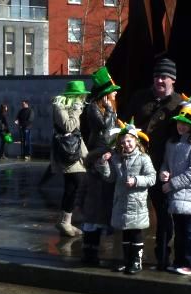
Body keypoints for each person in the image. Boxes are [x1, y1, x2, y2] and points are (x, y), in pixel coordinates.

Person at [126, 55, 183, 271]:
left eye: (165, 77)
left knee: (163, 213)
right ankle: (132, 256)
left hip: (162, 167)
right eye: (157, 76)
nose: (160, 81)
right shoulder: (140, 98)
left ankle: (162, 254)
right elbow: (125, 123)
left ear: (173, 80)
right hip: (137, 165)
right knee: (134, 210)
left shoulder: (179, 103)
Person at [96, 121, 156, 274]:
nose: (126, 144)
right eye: (123, 142)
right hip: (121, 202)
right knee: (124, 232)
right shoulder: (117, 158)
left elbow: (152, 178)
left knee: (135, 233)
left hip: (136, 203)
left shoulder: (143, 158)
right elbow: (110, 178)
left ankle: (136, 261)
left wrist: (136, 180)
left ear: (136, 141)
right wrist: (103, 163)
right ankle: (126, 259)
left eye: (129, 141)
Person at [160, 94, 191, 276]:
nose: (182, 126)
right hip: (175, 195)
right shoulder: (171, 142)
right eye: (180, 122)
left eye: (186, 123)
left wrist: (171, 184)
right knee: (179, 231)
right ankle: (179, 261)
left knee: (190, 232)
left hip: (189, 195)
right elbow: (165, 163)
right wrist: (163, 173)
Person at [78, 66, 120, 266]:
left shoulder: (105, 108)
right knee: (94, 207)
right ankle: (89, 252)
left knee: (101, 205)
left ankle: (93, 251)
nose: (115, 94)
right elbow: (105, 127)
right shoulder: (94, 108)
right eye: (112, 92)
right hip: (98, 153)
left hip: (106, 154)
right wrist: (111, 111)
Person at [51, 81, 89, 237]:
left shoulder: (74, 106)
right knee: (78, 184)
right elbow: (68, 126)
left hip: (75, 151)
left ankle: (66, 222)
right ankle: (66, 221)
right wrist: (76, 110)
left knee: (72, 187)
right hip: (68, 152)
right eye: (80, 95)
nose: (82, 97)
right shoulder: (60, 106)